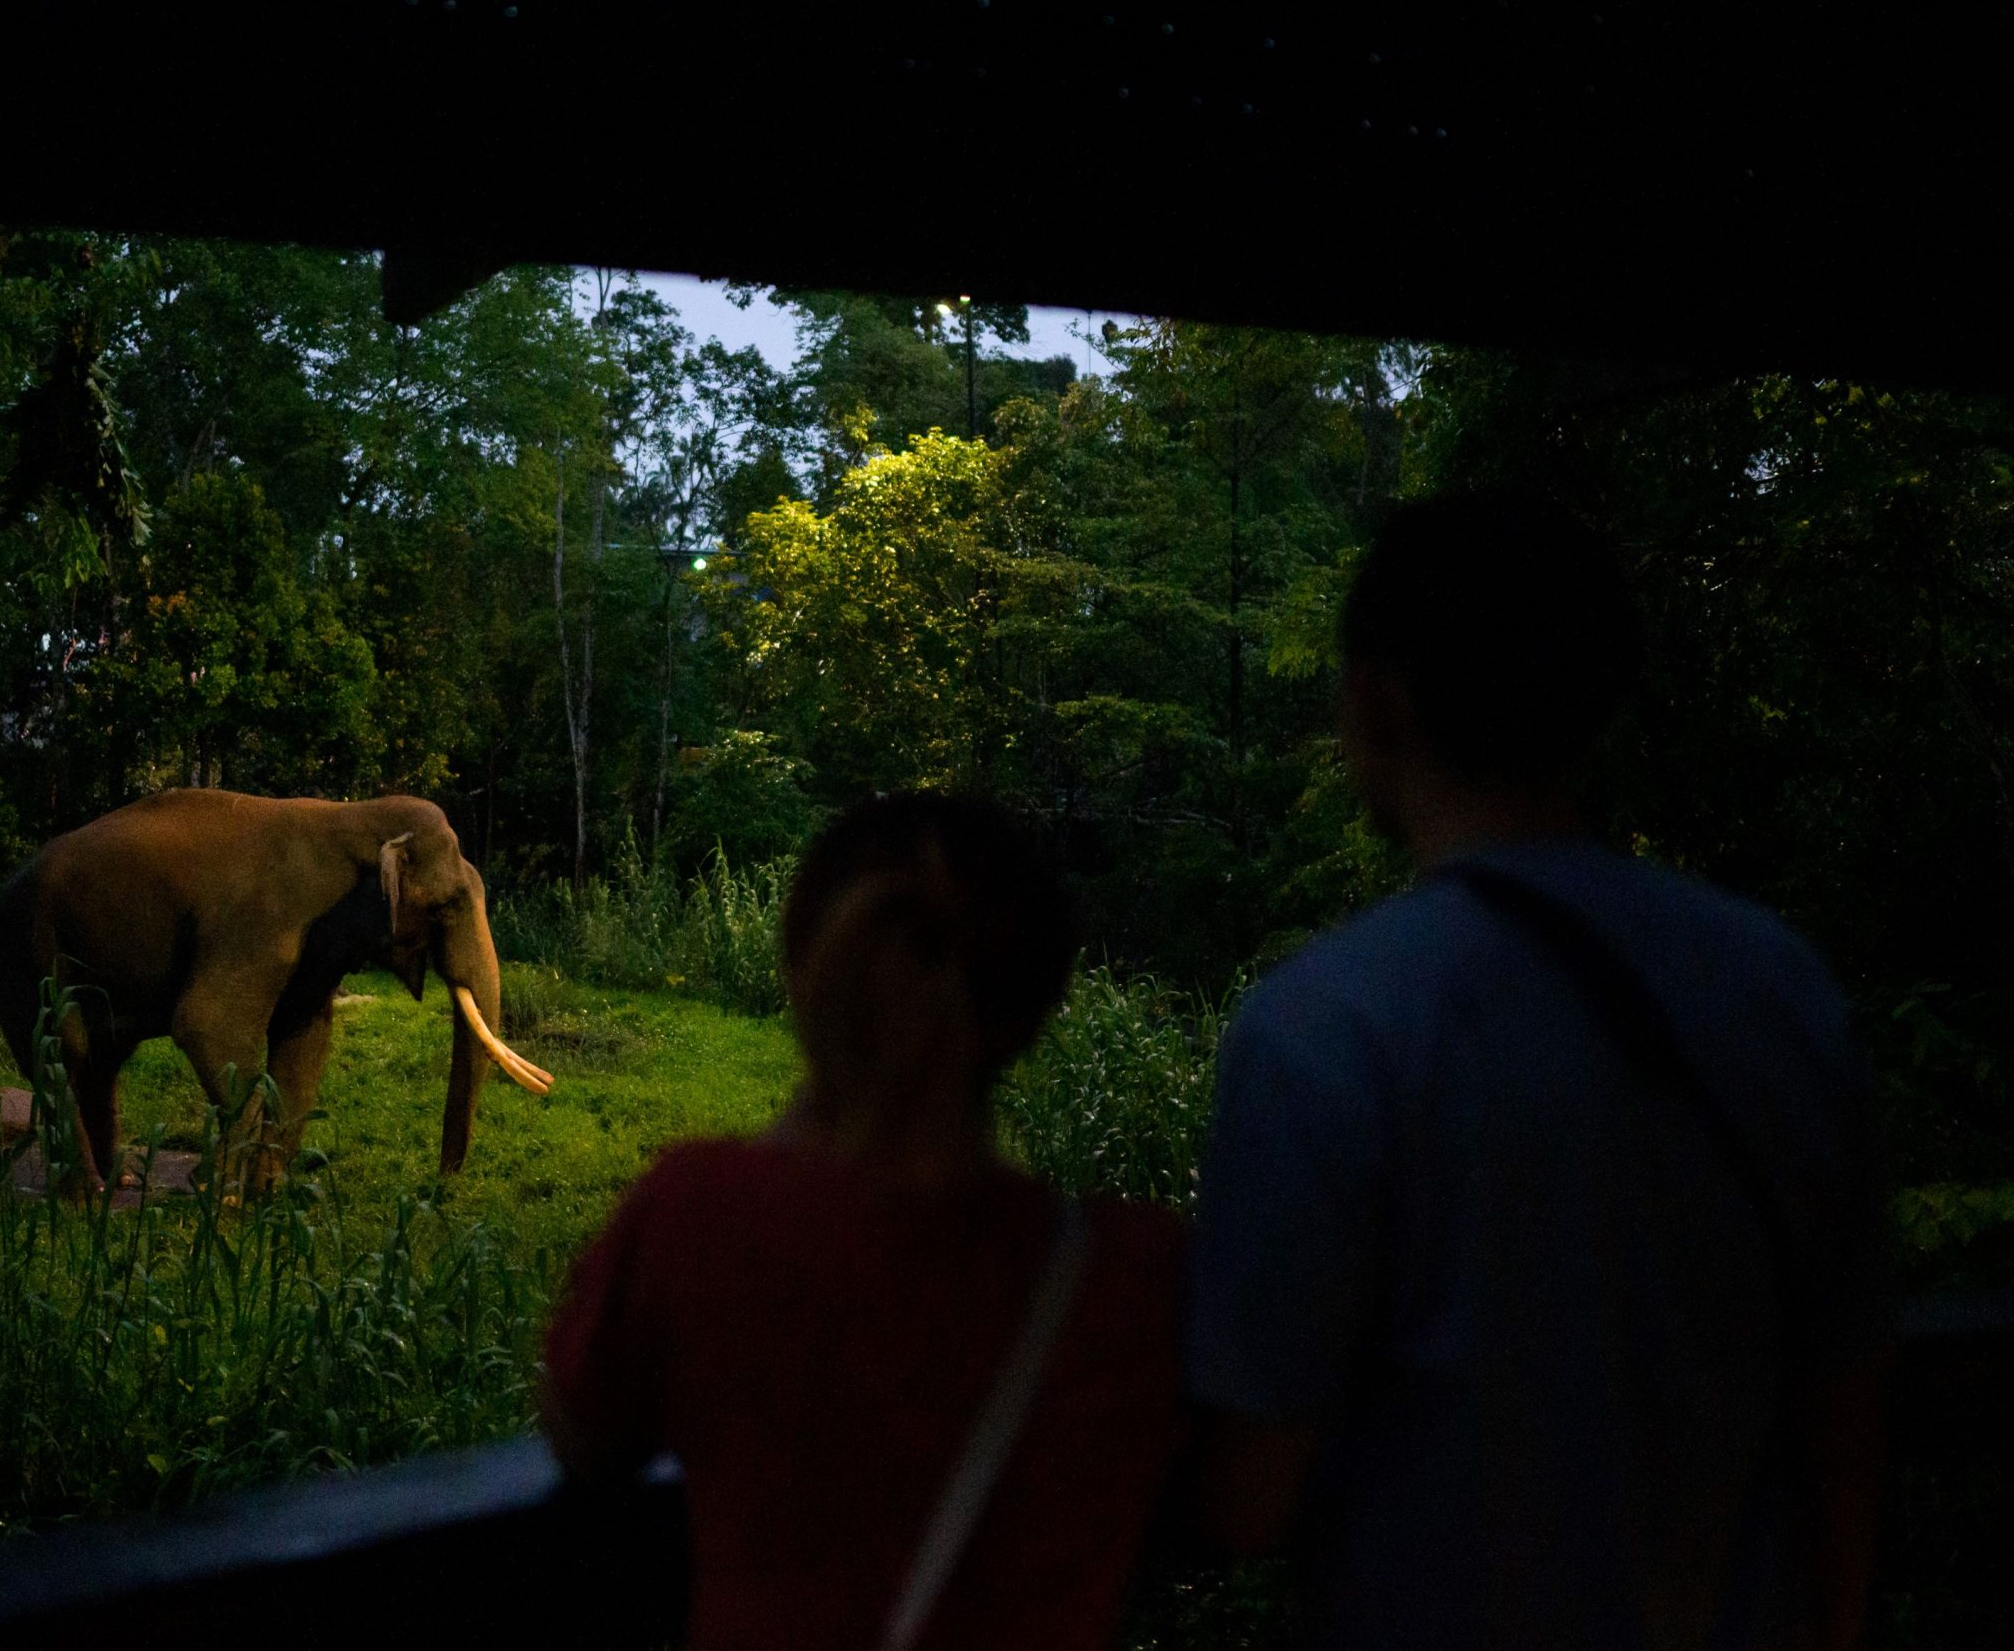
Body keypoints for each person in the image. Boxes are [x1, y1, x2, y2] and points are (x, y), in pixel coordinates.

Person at [1185, 493, 1892, 1649]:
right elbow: (1845, 1408)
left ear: (1376, 704)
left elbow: (1245, 1496)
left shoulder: (1321, 1027)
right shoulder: (1779, 989)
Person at [541, 793, 1188, 1651]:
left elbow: (582, 1433)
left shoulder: (695, 1213)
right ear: (1035, 1004)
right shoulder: (1135, 1276)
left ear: (805, 968)